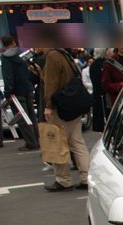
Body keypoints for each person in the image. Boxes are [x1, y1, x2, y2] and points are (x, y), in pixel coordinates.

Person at [41, 48, 90, 190]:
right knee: (77, 143)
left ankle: (63, 180)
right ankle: (86, 177)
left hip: (60, 105)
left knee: (57, 143)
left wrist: (48, 105)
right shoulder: (65, 54)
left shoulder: (52, 56)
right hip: (73, 104)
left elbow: (51, 82)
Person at [0, 35, 40, 150]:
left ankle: (31, 143)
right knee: (32, 116)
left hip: (16, 92)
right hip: (28, 88)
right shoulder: (22, 54)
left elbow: (8, 76)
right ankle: (37, 140)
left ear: (3, 44)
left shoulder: (5, 58)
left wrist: (8, 93)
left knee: (23, 118)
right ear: (13, 42)